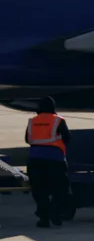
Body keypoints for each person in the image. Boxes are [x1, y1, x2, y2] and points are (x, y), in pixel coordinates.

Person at [24, 97, 71, 228]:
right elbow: (67, 138)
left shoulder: (32, 122)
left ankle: (44, 218)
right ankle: (54, 211)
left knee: (40, 190)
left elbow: (28, 139)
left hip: (35, 159)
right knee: (61, 189)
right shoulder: (58, 120)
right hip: (54, 159)